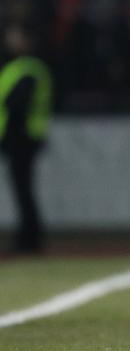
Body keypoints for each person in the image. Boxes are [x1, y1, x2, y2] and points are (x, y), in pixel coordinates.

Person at [0, 24, 52, 254]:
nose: (10, 40)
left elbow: (16, 104)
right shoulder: (19, 67)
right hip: (21, 138)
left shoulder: (28, 69)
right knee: (23, 188)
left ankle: (30, 238)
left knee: (24, 189)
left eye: (15, 36)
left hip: (23, 138)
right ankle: (29, 236)